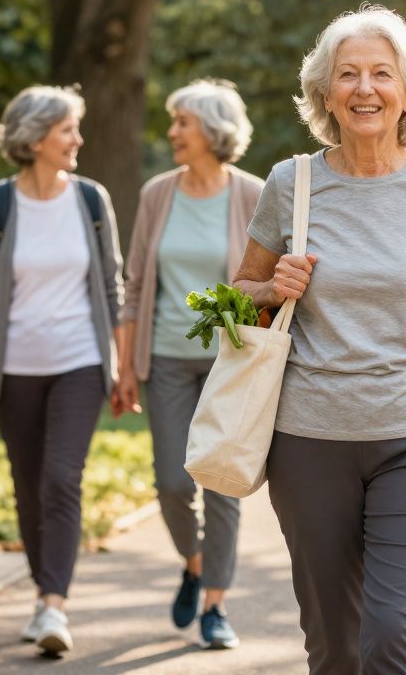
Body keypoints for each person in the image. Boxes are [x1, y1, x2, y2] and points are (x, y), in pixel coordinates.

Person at [232, 6, 406, 674]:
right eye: (348, 75)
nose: (365, 89)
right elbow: (235, 296)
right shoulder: (291, 185)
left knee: (391, 634)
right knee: (334, 646)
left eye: (381, 74)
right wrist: (274, 286)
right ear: (324, 93)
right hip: (309, 442)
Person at [0, 85, 124, 655]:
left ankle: (55, 606)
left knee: (60, 477)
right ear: (34, 138)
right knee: (28, 487)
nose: (78, 138)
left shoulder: (91, 201)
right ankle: (41, 592)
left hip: (80, 360)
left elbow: (112, 286)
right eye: (67, 129)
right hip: (14, 369)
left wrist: (119, 362)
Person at [115, 80, 262, 649]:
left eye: (182, 123)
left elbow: (266, 278)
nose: (172, 132)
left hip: (231, 365)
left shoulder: (251, 194)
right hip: (168, 362)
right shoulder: (157, 194)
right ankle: (195, 563)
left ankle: (216, 606)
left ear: (212, 130)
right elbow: (132, 286)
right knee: (174, 483)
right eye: (173, 122)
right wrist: (125, 365)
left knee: (222, 484)